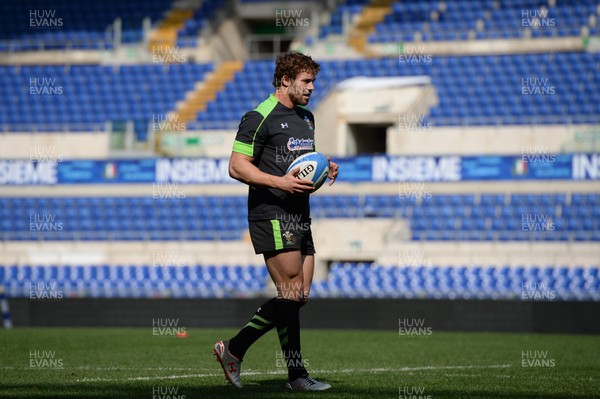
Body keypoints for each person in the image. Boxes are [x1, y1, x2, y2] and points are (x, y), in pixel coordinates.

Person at [213, 51, 338, 391]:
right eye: (306, 81)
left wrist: (325, 166)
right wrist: (279, 182)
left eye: (313, 81)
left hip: (300, 212)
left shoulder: (307, 118)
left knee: (298, 295)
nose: (312, 87)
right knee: (290, 291)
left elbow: (302, 162)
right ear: (286, 80)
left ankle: (288, 372)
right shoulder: (259, 116)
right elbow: (237, 166)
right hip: (272, 212)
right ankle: (240, 352)